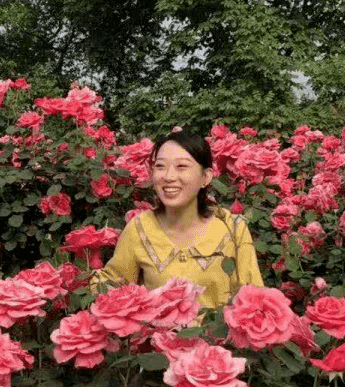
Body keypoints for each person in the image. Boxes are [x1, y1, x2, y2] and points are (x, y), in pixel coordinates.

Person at [95, 128, 263, 309]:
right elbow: (112, 286)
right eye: (160, 166)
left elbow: (254, 299)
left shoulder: (232, 229)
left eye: (182, 166)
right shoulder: (140, 228)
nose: (168, 176)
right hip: (157, 336)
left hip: (218, 336)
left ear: (205, 177)